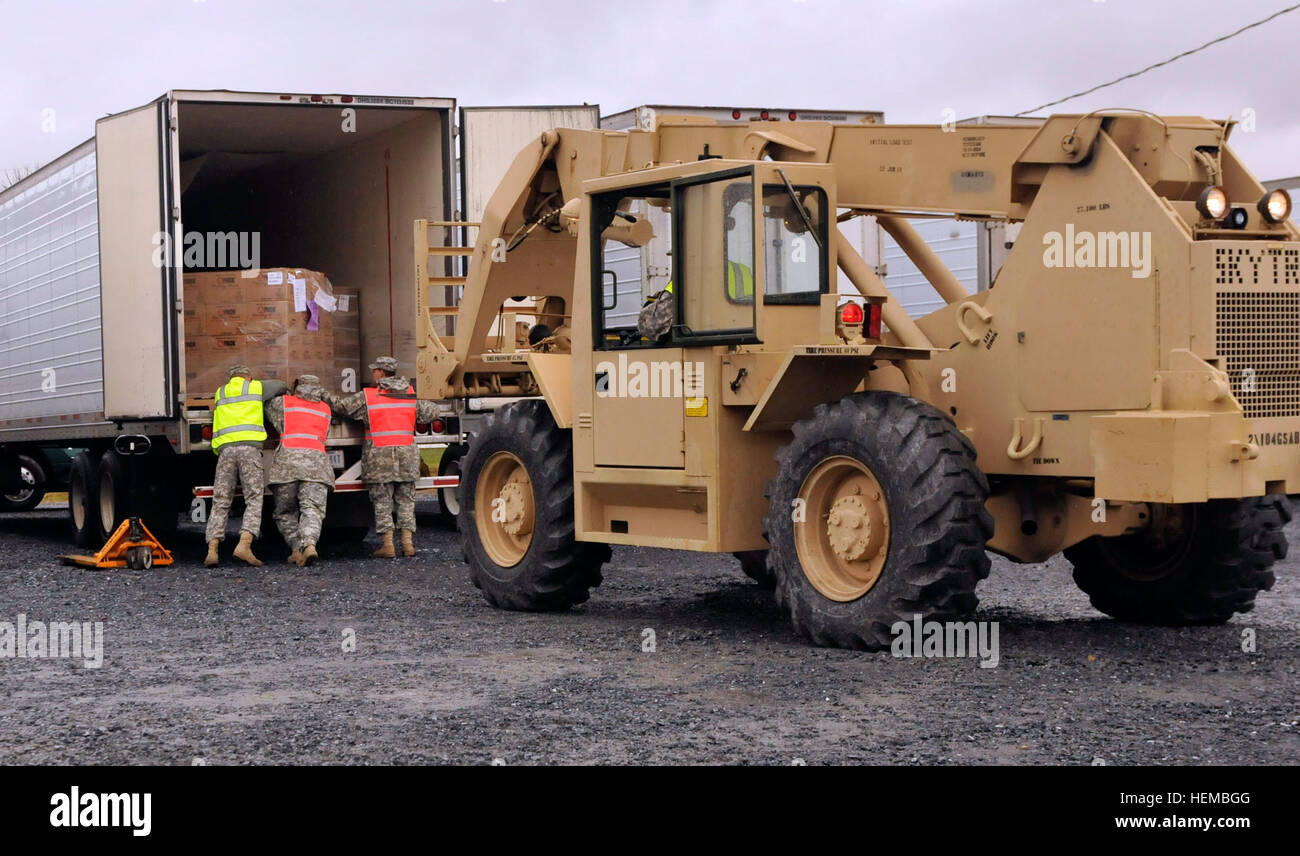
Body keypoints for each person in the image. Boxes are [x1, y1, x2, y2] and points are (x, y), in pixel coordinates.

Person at [325, 356, 437, 558]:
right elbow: (430, 412)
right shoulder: (410, 394)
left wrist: (323, 396)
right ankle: (407, 544)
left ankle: (388, 545)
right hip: (407, 457)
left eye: (375, 370)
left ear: (382, 373)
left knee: (382, 501)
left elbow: (342, 406)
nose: (373, 373)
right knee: (407, 500)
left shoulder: (369, 396)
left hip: (379, 458)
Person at [205, 365, 284, 567]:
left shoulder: (220, 392)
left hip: (225, 452)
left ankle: (212, 550)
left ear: (231, 378)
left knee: (221, 500)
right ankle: (244, 545)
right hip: (249, 449)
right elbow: (280, 385)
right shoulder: (255, 388)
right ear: (248, 376)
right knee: (254, 498)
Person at [264, 374, 335, 566]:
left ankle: (296, 548)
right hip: (316, 465)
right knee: (312, 509)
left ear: (297, 387)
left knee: (284, 511)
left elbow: (262, 398)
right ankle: (310, 544)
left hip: (288, 465)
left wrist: (282, 388)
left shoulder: (282, 404)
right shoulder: (326, 409)